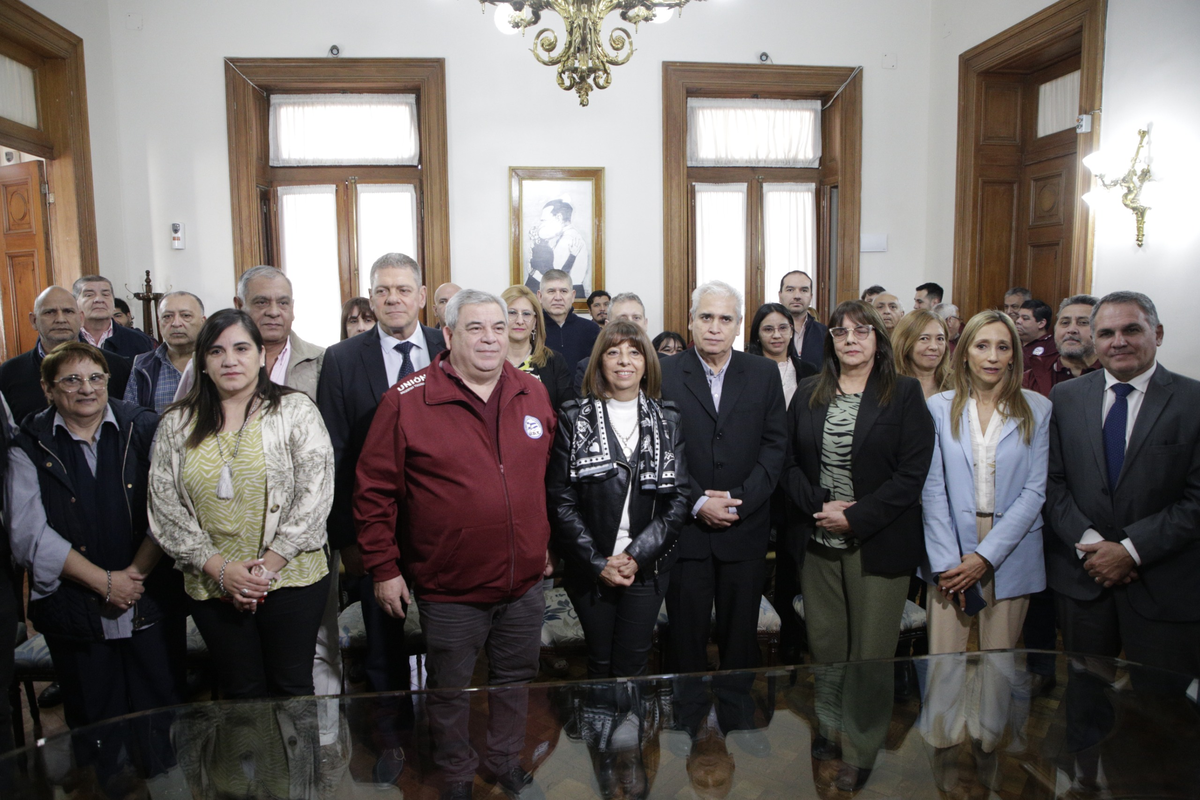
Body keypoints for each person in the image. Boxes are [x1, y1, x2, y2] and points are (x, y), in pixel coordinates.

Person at [354, 289, 557, 800]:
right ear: (447, 335)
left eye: (498, 326)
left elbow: (548, 479)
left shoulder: (531, 392)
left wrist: (544, 541)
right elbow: (373, 493)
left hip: (524, 581)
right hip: (450, 586)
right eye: (475, 328)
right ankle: (457, 772)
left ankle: (507, 760)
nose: (490, 338)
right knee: (450, 689)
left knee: (514, 680)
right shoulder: (406, 400)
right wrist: (383, 568)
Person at [6, 342, 184, 780]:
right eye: (71, 379)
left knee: (156, 710)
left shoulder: (144, 427)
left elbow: (171, 508)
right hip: (75, 604)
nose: (86, 388)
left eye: (95, 377)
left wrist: (133, 576)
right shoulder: (27, 444)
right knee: (94, 716)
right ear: (48, 389)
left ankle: (160, 784)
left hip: (148, 596)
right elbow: (28, 534)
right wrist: (105, 583)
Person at [1044, 292, 1200, 791]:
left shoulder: (1194, 400)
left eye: (1131, 329)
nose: (1118, 342)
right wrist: (1094, 546)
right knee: (1085, 700)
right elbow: (1052, 485)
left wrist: (1129, 550)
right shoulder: (1067, 399)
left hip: (1164, 586)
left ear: (1157, 333)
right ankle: (1083, 783)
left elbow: (1197, 499)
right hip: (1084, 581)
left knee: (1163, 710)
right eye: (1106, 333)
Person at [779, 300, 934, 792]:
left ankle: (863, 748)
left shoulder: (904, 394)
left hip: (878, 543)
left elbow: (911, 475)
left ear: (878, 340)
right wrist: (821, 506)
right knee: (825, 646)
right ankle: (827, 729)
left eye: (861, 331)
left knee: (869, 653)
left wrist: (855, 516)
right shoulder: (808, 392)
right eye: (841, 332)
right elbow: (786, 464)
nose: (850, 339)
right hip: (817, 541)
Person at [149, 309, 334, 698]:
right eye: (216, 351)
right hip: (212, 582)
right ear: (202, 362)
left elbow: (314, 498)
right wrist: (222, 571)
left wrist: (262, 573)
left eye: (241, 348)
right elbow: (165, 508)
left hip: (290, 578)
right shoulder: (176, 423)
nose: (229, 360)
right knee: (239, 689)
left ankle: (300, 764)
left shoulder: (296, 410)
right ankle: (252, 762)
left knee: (291, 687)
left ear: (261, 356)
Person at [918, 310, 1051, 778]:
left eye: (1002, 346)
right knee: (944, 651)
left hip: (1011, 545)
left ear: (1014, 353)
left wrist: (985, 556)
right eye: (982, 345)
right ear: (964, 350)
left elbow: (1036, 491)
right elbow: (932, 488)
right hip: (950, 545)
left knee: (999, 654)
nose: (992, 357)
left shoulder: (1037, 407)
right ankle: (942, 736)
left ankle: (990, 740)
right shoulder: (939, 406)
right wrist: (948, 560)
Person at [318, 253, 445, 695]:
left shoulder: (449, 347)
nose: (393, 299)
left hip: (445, 529)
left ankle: (447, 743)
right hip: (376, 530)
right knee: (383, 652)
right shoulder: (342, 359)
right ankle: (392, 745)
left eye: (403, 289)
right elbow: (334, 455)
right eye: (382, 290)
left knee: (451, 646)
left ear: (422, 296)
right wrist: (348, 539)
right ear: (370, 297)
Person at [548, 322, 690, 679]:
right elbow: (561, 500)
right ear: (599, 362)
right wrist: (599, 563)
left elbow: (679, 499)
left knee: (632, 662)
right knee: (599, 661)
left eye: (634, 352)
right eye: (613, 352)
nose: (623, 361)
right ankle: (601, 733)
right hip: (591, 565)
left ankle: (630, 735)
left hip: (647, 565)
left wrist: (634, 556)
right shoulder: (571, 416)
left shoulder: (668, 418)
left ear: (647, 362)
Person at [660, 281, 787, 676]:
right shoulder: (663, 372)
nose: (715, 327)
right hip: (686, 531)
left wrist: (741, 500)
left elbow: (775, 446)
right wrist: (698, 502)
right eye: (706, 317)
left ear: (738, 326)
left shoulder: (764, 373)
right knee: (685, 640)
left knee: (740, 641)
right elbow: (662, 448)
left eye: (725, 319)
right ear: (691, 322)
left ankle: (739, 721)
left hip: (744, 529)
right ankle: (688, 723)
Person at [0, 286, 132, 425]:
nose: (60, 319)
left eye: (68, 311)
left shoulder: (116, 366)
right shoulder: (9, 372)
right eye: (50, 312)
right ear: (34, 320)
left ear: (81, 318)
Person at [233, 265, 324, 402]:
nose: (274, 312)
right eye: (262, 302)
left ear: (292, 308)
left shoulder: (322, 360)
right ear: (239, 306)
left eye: (283, 303)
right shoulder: (213, 361)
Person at [125, 291, 206, 412]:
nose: (176, 323)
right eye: (167, 317)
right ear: (159, 323)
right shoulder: (143, 365)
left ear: (203, 322)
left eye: (186, 316)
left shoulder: (218, 361)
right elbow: (130, 416)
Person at [501, 285, 572, 410]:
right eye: (512, 313)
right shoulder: (488, 360)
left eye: (526, 314)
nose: (520, 320)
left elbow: (566, 413)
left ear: (535, 322)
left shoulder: (554, 361)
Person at [573, 292, 651, 395]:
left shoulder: (664, 366)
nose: (630, 324)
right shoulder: (587, 369)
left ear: (645, 324)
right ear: (608, 325)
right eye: (622, 319)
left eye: (636, 318)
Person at [1024, 295, 1101, 397]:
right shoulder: (1032, 378)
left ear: (1101, 331)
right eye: (1065, 323)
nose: (1071, 330)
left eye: (1083, 322)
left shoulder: (1113, 373)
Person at [746, 302, 819, 408]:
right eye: (768, 329)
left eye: (783, 328)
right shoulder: (746, 370)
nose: (776, 335)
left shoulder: (809, 371)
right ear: (757, 334)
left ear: (791, 332)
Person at [73, 275, 156, 359]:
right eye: (89, 295)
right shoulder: (66, 338)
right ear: (74, 302)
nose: (99, 299)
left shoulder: (139, 340)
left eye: (105, 294)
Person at [539, 268, 600, 368]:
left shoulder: (591, 329)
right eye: (551, 291)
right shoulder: (532, 329)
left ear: (572, 296)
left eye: (563, 291)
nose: (558, 297)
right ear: (540, 296)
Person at [528, 199, 589, 295]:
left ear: (559, 217)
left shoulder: (568, 238)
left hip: (564, 294)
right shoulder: (565, 236)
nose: (542, 225)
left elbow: (554, 274)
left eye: (544, 221)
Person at [891, 309, 949, 398]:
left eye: (940, 339)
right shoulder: (887, 386)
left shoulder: (958, 384)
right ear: (904, 343)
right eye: (924, 338)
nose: (934, 346)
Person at [779, 270, 828, 369]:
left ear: (811, 296)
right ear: (780, 295)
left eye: (804, 290)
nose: (797, 296)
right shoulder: (768, 332)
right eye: (790, 290)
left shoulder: (825, 333)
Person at [1017, 298, 1057, 372]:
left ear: (1041, 323)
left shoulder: (1052, 346)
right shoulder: (1011, 341)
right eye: (1018, 317)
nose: (1018, 321)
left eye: (1025, 318)